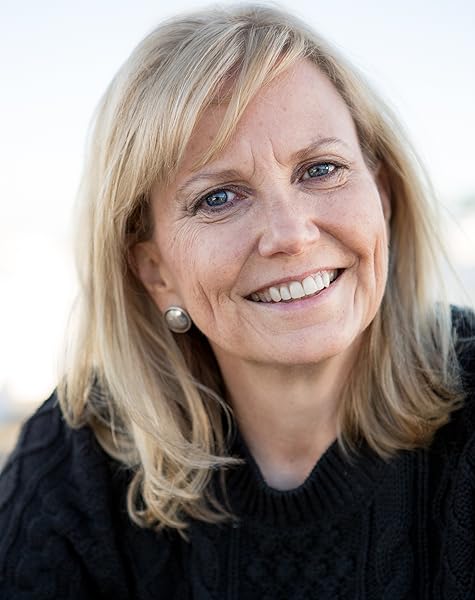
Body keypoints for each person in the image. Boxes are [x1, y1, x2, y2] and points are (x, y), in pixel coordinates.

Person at [1, 4, 474, 599]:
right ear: (156, 272)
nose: (291, 234)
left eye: (321, 168)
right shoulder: (77, 456)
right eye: (220, 197)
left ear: (381, 196)